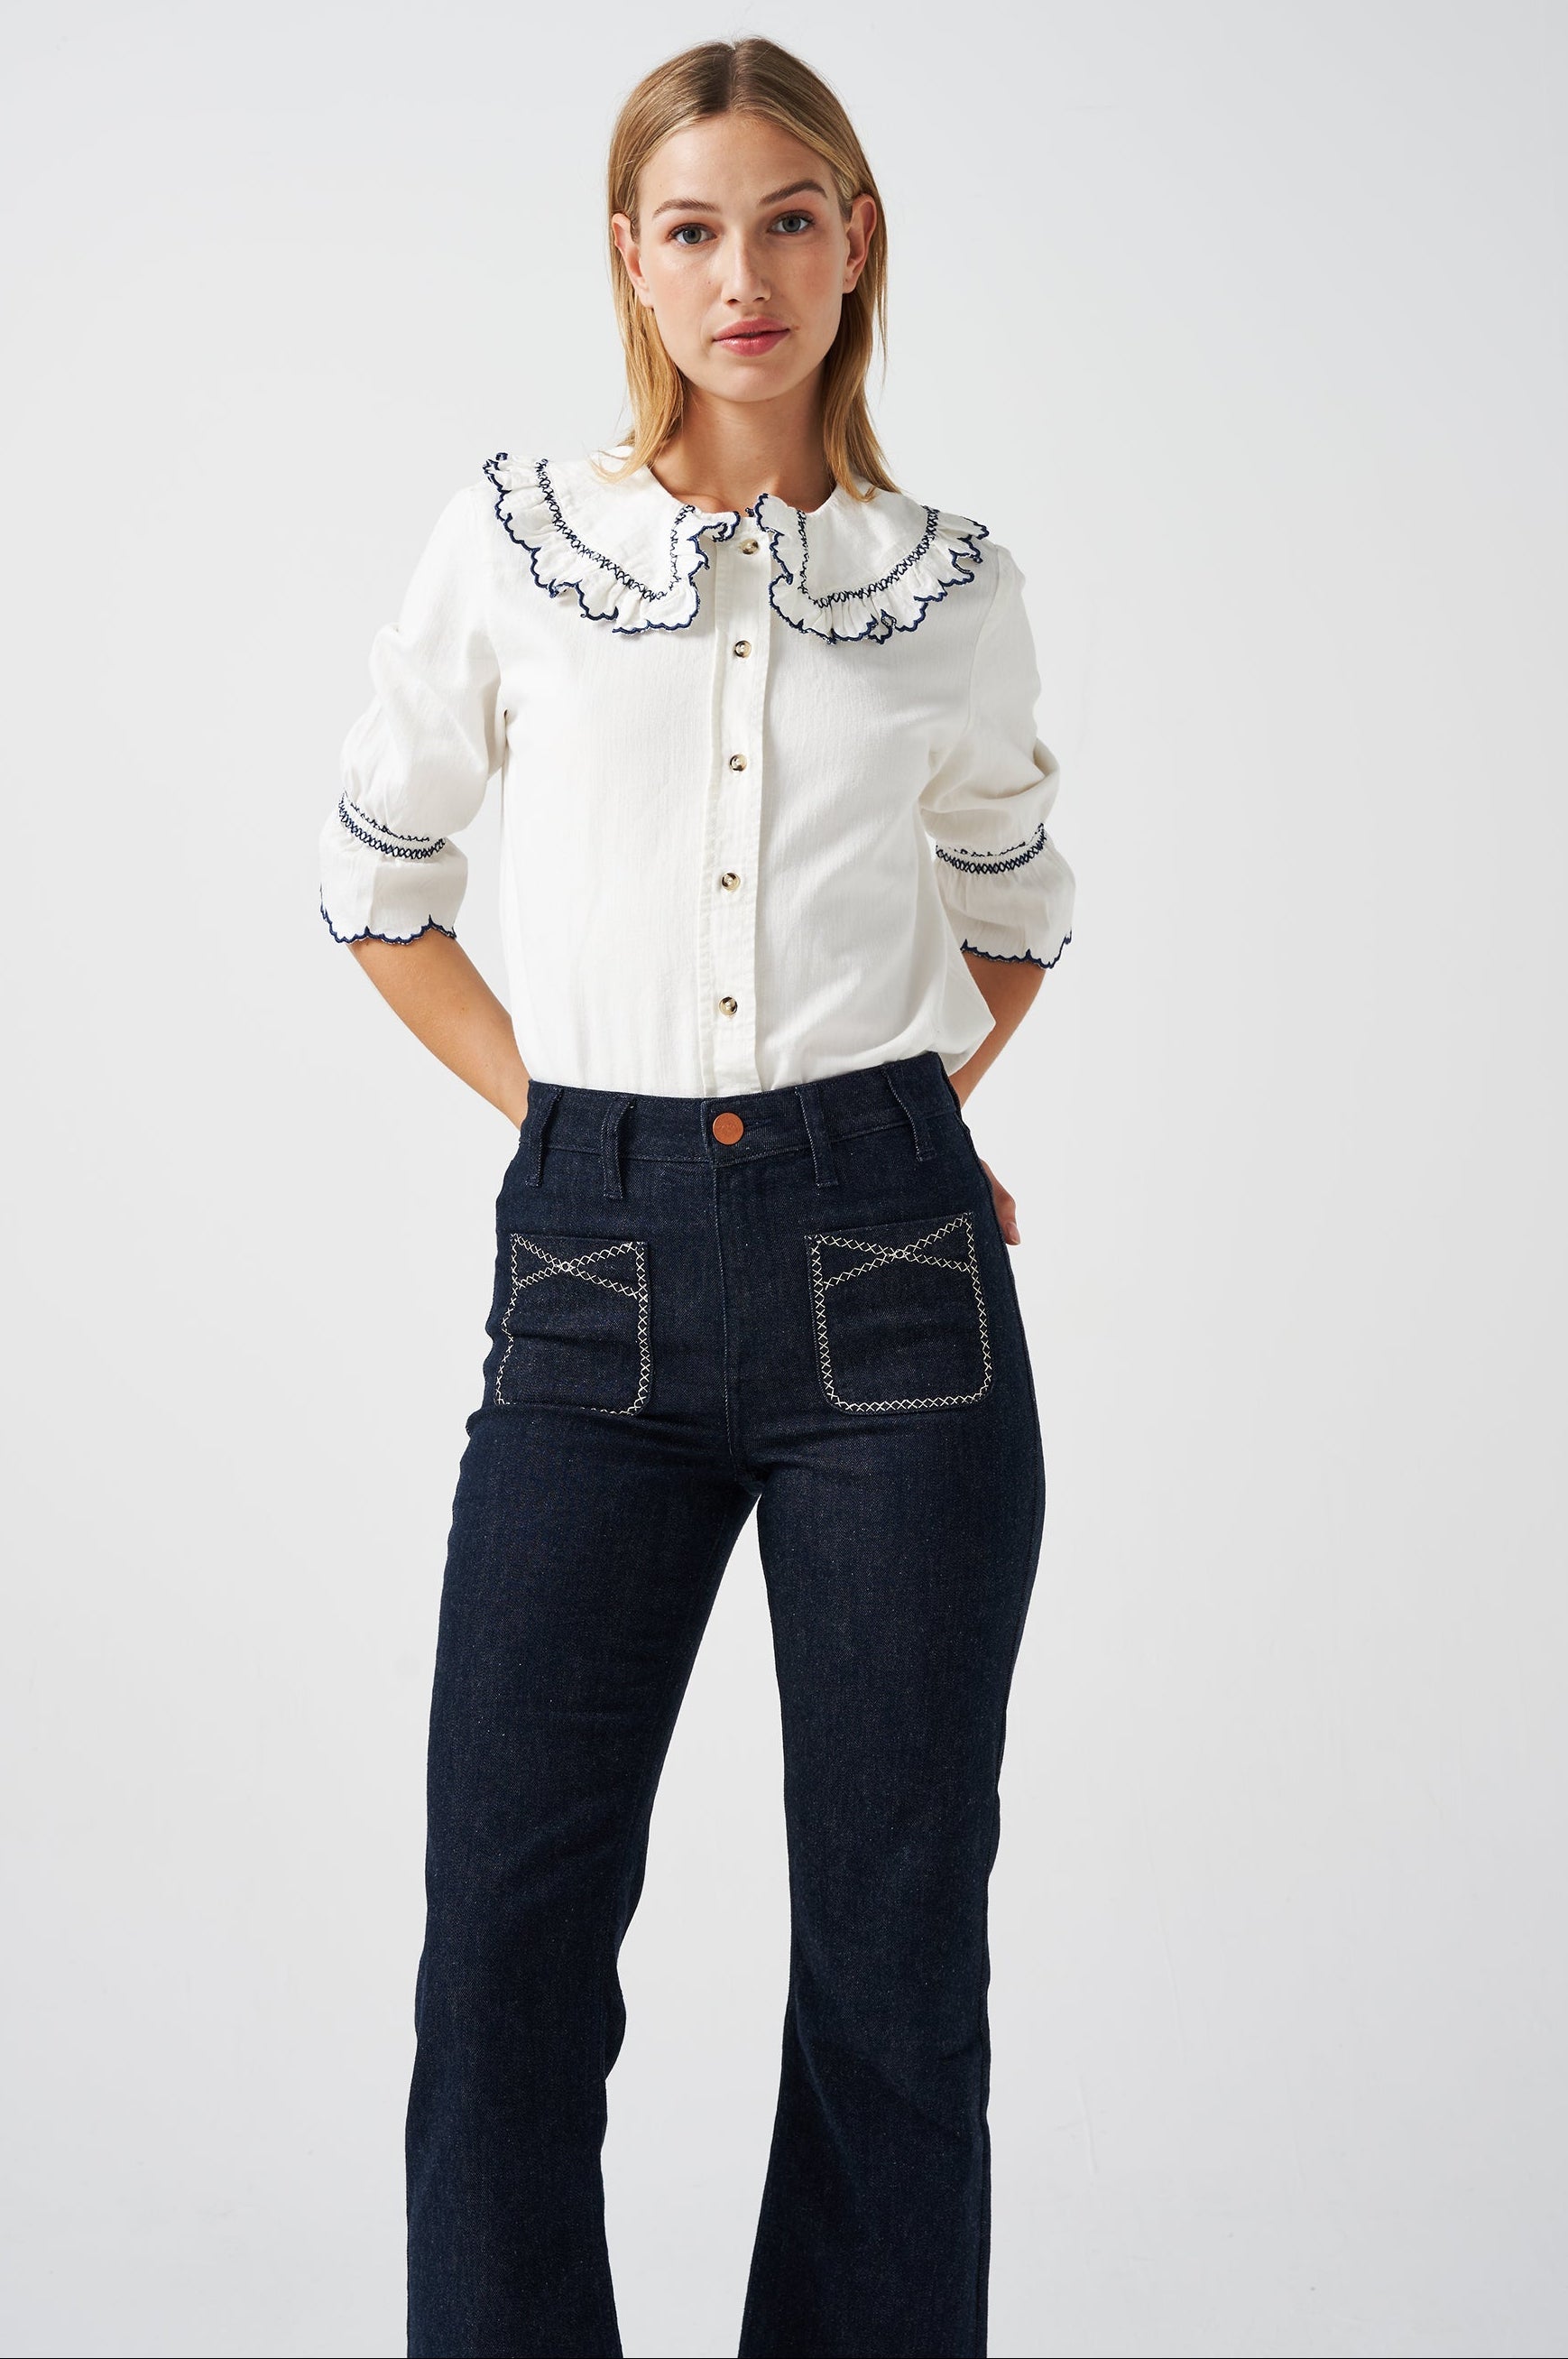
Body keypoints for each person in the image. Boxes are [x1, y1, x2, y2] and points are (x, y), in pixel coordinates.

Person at [318, 35, 1074, 2359]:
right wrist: (578, 1111)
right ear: (626, 264)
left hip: (897, 1298)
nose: (739, 272)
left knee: (886, 1956)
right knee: (511, 1940)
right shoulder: (518, 538)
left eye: (786, 217)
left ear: (855, 243)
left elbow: (1011, 914)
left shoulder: (945, 583)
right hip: (588, 1269)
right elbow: (382, 877)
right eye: (689, 226)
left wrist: (905, 1120)